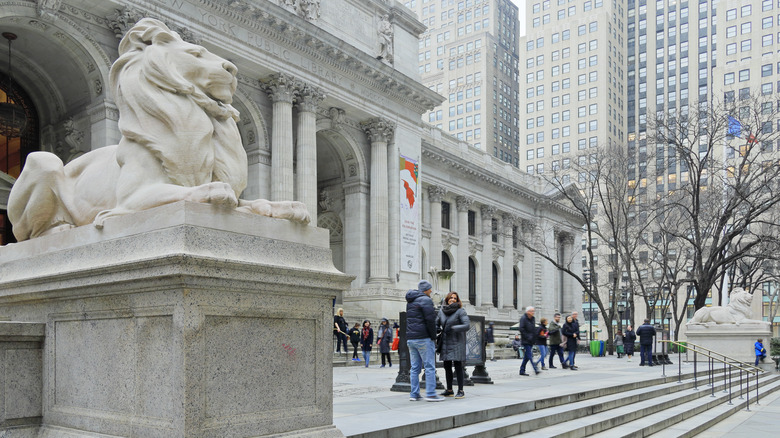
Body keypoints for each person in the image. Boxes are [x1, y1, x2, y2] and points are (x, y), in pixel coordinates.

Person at [406, 280, 445, 402]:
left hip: (411, 339)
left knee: (415, 368)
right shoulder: (426, 300)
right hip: (423, 338)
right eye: (430, 289)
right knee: (429, 366)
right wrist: (434, 336)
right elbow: (430, 320)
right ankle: (431, 393)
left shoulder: (410, 301)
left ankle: (414, 394)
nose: (431, 291)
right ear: (425, 290)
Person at [436, 291, 470, 399]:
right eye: (451, 298)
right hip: (446, 342)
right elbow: (436, 323)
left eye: (455, 298)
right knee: (447, 366)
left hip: (457, 342)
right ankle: (449, 390)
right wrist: (436, 329)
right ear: (447, 299)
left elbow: (467, 325)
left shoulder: (460, 311)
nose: (452, 300)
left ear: (457, 300)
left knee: (458, 366)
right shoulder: (441, 311)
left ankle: (461, 390)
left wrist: (454, 328)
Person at [518, 306, 540, 376]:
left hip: (531, 340)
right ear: (527, 312)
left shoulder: (533, 319)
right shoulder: (523, 318)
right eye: (531, 311)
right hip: (526, 340)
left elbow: (533, 329)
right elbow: (521, 329)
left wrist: (534, 338)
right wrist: (527, 337)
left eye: (533, 311)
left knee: (527, 357)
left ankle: (522, 370)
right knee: (530, 355)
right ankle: (535, 368)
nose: (533, 312)